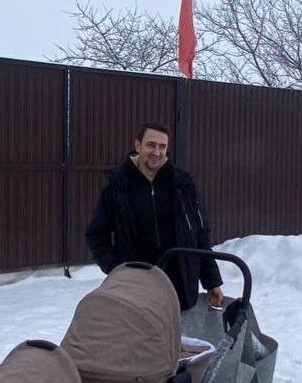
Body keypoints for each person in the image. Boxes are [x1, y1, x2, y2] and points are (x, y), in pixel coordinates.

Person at [85, 122, 224, 311]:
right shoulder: (117, 187)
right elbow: (96, 235)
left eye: (162, 146)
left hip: (180, 287)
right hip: (136, 288)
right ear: (138, 145)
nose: (157, 152)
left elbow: (200, 235)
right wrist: (116, 269)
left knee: (180, 330)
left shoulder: (182, 185)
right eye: (151, 145)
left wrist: (212, 281)